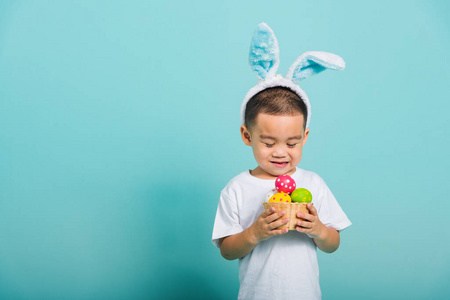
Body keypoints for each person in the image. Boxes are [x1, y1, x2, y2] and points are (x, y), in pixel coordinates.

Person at [212, 23, 351, 300]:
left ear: (305, 137)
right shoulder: (237, 188)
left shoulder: (313, 183)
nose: (280, 153)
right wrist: (255, 233)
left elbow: (333, 244)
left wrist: (317, 229)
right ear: (246, 135)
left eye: (292, 143)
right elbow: (227, 251)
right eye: (268, 142)